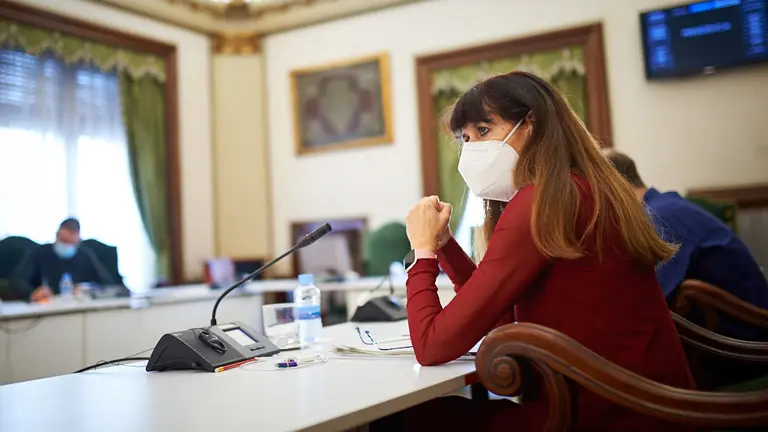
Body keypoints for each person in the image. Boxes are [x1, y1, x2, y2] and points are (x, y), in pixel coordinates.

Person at [398, 72, 694, 431]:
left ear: (531, 123)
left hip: (596, 416)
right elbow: (501, 319)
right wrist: (444, 245)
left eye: (484, 130)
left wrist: (422, 252)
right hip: (648, 408)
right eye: (465, 138)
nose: (472, 147)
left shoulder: (541, 203)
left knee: (402, 421)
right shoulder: (585, 187)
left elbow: (431, 347)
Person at [606, 150, 768, 339]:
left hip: (747, 340)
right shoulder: (664, 207)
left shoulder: (662, 216)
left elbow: (653, 298)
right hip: (732, 332)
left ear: (612, 185)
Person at [12, 218, 117, 302]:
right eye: (64, 241)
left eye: (71, 243)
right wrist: (32, 292)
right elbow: (18, 280)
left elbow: (107, 282)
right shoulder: (39, 253)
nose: (67, 246)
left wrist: (87, 288)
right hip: (44, 305)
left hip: (78, 305)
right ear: (57, 236)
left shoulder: (85, 256)